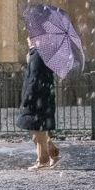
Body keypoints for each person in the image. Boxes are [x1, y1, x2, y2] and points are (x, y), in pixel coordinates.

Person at [16, 36, 60, 169]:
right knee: (39, 129)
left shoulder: (37, 54)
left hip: (36, 98)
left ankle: (43, 160)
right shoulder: (42, 53)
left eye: (31, 37)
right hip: (43, 97)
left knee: (36, 131)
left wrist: (27, 97)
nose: (28, 39)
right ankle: (53, 153)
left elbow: (34, 79)